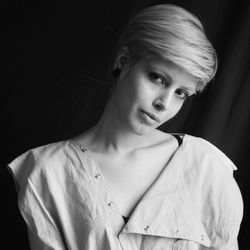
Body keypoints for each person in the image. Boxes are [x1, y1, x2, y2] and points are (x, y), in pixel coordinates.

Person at [8, 4, 243, 250]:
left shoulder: (205, 165)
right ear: (124, 61)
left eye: (181, 93)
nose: (164, 103)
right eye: (158, 78)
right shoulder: (49, 171)